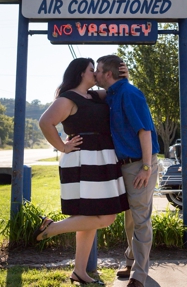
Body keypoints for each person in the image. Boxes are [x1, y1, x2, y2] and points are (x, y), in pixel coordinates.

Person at [37, 57, 129, 285]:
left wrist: (124, 77)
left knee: (90, 216)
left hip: (103, 158)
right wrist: (62, 146)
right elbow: (45, 122)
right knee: (106, 217)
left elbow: (116, 92)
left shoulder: (95, 96)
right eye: (92, 70)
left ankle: (79, 271)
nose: (96, 74)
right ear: (81, 73)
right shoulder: (68, 98)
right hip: (83, 160)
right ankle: (52, 228)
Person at [95, 55, 160, 287]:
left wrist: (145, 167)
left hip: (139, 164)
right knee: (130, 219)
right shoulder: (113, 94)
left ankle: (139, 275)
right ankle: (131, 262)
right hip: (124, 164)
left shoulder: (130, 94)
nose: (95, 74)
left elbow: (145, 132)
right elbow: (92, 94)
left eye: (98, 70)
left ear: (108, 74)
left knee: (141, 219)